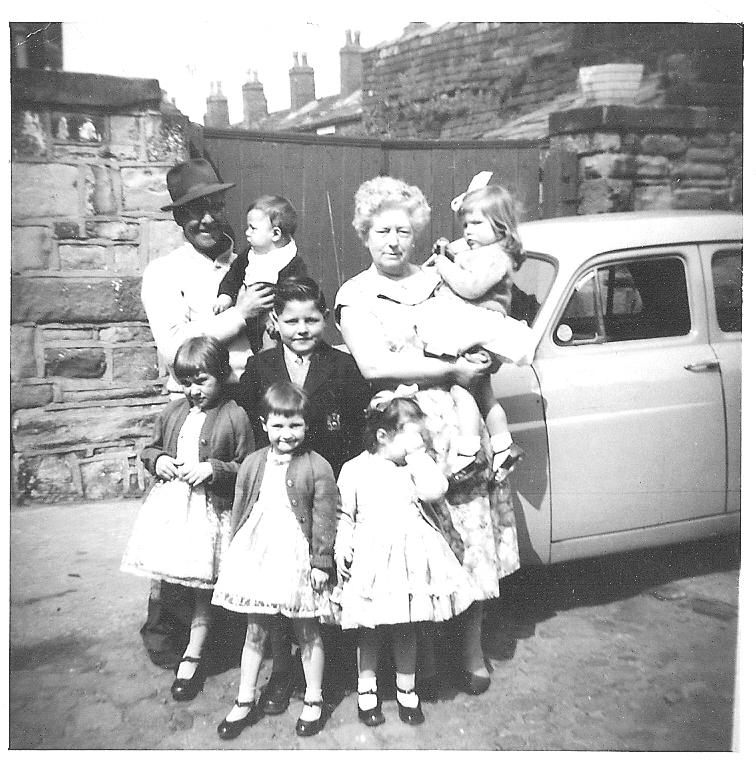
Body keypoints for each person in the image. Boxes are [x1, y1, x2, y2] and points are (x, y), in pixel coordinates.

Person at [334, 175, 521, 699]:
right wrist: (451, 371)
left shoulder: (443, 279)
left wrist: (483, 357)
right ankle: (425, 650)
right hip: (403, 427)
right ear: (364, 235)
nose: (393, 240)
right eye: (381, 231)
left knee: (470, 531)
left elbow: (489, 321)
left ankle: (471, 649)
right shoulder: (356, 294)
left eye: (402, 230)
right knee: (420, 535)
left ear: (416, 233)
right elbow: (374, 365)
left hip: (459, 421)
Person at [139, 158, 275, 669]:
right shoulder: (166, 273)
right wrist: (241, 315)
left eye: (213, 206)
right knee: (193, 516)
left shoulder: (254, 262)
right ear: (179, 219)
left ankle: (248, 632)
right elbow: (177, 345)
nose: (207, 219)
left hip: (254, 402)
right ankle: (176, 631)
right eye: (194, 211)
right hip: (199, 405)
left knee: (247, 509)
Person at [237, 275, 370, 710]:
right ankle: (282, 671)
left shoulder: (343, 366)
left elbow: (356, 429)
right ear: (274, 321)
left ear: (326, 319)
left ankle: (328, 669)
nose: (301, 329)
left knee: (321, 579)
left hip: (325, 487)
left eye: (311, 319)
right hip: (279, 493)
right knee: (279, 588)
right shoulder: (260, 367)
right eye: (291, 320)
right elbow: (252, 428)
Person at [121, 336, 255, 701]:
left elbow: (248, 464)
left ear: (222, 375)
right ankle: (168, 638)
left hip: (209, 512)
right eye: (186, 382)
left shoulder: (234, 415)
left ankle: (194, 654)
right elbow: (151, 448)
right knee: (168, 579)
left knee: (201, 586)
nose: (193, 390)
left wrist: (214, 468)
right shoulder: (172, 412)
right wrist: (157, 459)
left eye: (201, 381)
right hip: (172, 512)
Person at [335, 391, 478, 727]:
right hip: (373, 558)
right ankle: (366, 689)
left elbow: (433, 491)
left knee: (406, 627)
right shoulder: (355, 469)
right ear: (383, 435)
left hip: (410, 559)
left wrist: (418, 458)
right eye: (412, 436)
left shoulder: (415, 467)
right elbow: (345, 515)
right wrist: (343, 546)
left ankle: (406, 689)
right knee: (369, 629)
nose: (420, 443)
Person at [212, 382, 339, 740]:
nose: (287, 434)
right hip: (260, 554)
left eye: (295, 425)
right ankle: (244, 698)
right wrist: (235, 552)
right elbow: (241, 508)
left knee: (307, 629)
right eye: (278, 425)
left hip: (297, 556)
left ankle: (313, 698)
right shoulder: (253, 463)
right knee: (257, 628)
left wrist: (321, 562)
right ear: (264, 424)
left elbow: (325, 517)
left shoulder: (317, 466)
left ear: (307, 426)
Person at [418, 175, 532, 481]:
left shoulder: (496, 257)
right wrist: (450, 254)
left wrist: (444, 265)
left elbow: (470, 286)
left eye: (477, 224)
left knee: (461, 385)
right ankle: (503, 446)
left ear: (500, 226)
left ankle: (468, 452)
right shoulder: (483, 251)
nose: (468, 231)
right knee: (482, 391)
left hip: (478, 326)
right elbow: (467, 267)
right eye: (466, 224)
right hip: (473, 324)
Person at [213, 194, 308, 352]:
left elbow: (295, 296)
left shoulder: (291, 262)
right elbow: (232, 277)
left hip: (271, 320)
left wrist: (279, 317)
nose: (247, 232)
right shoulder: (249, 255)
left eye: (253, 228)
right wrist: (225, 296)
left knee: (270, 347)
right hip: (245, 316)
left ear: (275, 234)